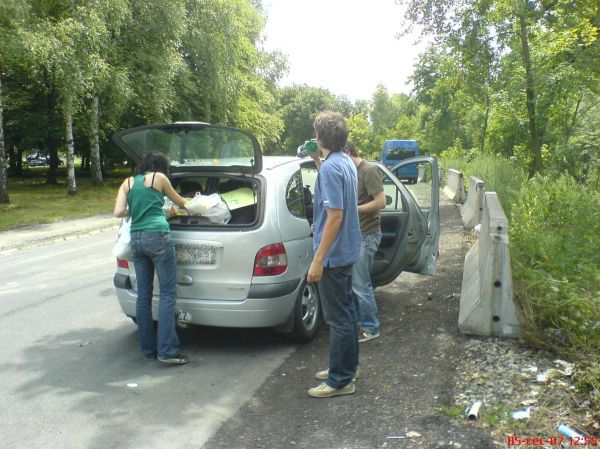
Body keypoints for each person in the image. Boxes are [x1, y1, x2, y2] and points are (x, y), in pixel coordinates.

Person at [113, 151, 189, 365]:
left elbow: (118, 212)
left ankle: (148, 351)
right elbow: (181, 203)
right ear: (161, 167)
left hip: (136, 239)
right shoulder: (159, 178)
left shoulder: (127, 182)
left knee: (143, 296)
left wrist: (136, 210)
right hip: (158, 237)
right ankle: (167, 351)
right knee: (167, 294)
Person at [307, 111, 361, 398]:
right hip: (349, 250)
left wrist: (318, 260)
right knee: (347, 313)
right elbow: (333, 188)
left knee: (338, 318)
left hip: (334, 255)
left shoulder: (331, 168)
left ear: (319, 137)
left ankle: (340, 380)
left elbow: (335, 216)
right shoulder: (343, 162)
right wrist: (318, 160)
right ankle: (347, 366)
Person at [343, 140, 386, 342]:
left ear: (349, 152)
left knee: (361, 284)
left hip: (367, 234)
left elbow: (381, 202)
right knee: (354, 283)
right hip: (354, 234)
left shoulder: (368, 171)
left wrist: (355, 209)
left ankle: (371, 327)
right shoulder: (350, 170)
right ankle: (360, 322)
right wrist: (316, 159)